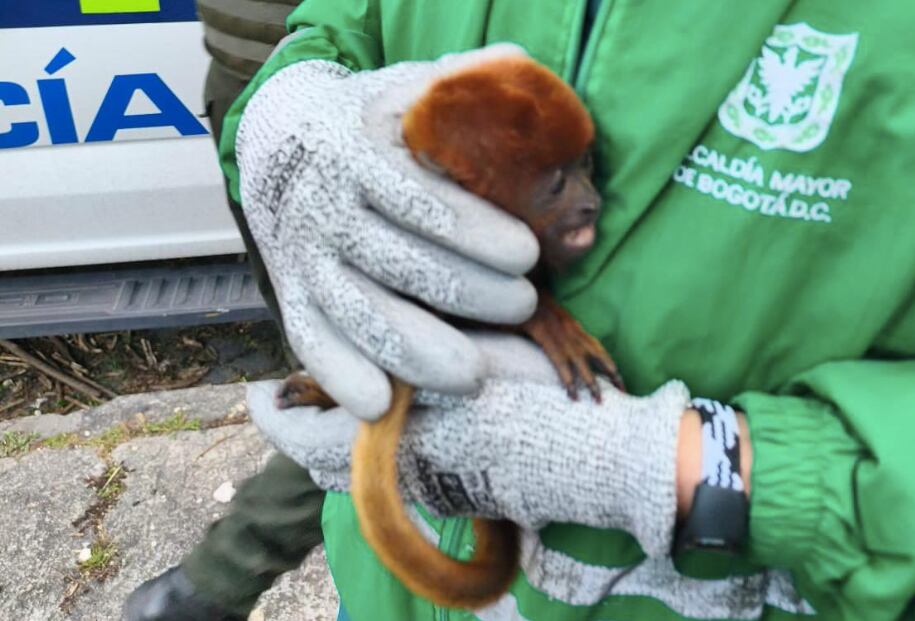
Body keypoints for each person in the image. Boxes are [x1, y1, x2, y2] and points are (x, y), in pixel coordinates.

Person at [132, 1, 915, 620]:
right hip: (384, 593)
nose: (593, 201)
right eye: (562, 185)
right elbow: (349, 15)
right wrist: (292, 94)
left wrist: (679, 465)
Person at [124, 2, 327, 620]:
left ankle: (215, 581)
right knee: (323, 362)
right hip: (256, 79)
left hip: (342, 84)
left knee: (370, 371)